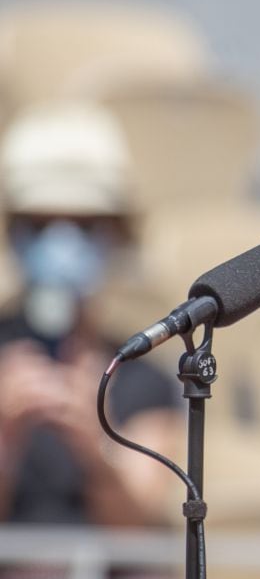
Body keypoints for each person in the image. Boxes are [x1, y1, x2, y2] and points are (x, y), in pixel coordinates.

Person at [0, 103, 182, 539]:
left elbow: (134, 529)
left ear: (117, 234)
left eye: (84, 226)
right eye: (41, 225)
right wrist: (5, 434)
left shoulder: (145, 377)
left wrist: (95, 443)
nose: (62, 243)